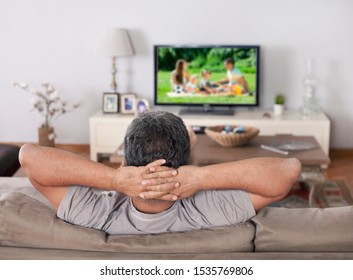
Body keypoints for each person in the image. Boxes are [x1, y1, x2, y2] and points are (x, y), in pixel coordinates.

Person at [19, 111, 301, 235]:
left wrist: (115, 179)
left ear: (126, 162)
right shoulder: (213, 209)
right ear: (185, 162)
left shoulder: (94, 213)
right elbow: (289, 170)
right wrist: (198, 176)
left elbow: (29, 156)